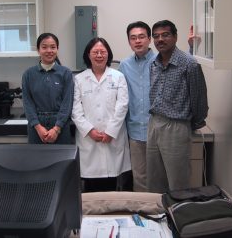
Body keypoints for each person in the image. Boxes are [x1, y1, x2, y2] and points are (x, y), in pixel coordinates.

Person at [147, 20, 208, 193]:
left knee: (177, 183)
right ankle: (158, 218)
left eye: (165, 35)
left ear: (175, 37)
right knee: (154, 180)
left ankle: (178, 217)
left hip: (176, 126)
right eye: (156, 36)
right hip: (154, 124)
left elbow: (199, 100)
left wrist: (191, 125)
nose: (160, 39)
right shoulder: (154, 63)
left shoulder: (190, 64)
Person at [72, 37, 131, 192]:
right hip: (89, 140)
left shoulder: (118, 76)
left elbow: (122, 106)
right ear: (88, 55)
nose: (99, 55)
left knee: (113, 185)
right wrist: (90, 131)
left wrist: (111, 131)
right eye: (95, 52)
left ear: (108, 55)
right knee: (90, 188)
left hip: (113, 138)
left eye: (103, 52)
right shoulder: (79, 79)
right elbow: (75, 110)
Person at [119, 21, 155, 192]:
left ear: (149, 39)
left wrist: (194, 47)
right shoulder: (124, 66)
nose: (138, 41)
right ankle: (143, 214)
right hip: (135, 131)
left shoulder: (161, 61)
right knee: (139, 176)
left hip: (158, 131)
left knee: (159, 176)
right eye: (133, 38)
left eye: (141, 37)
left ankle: (162, 214)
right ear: (129, 41)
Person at [22, 32, 74, 144]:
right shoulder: (28, 74)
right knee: (37, 160)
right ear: (38, 50)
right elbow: (27, 103)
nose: (49, 51)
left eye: (53, 47)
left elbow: (67, 103)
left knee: (62, 160)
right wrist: (38, 127)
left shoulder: (66, 73)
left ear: (57, 49)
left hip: (60, 125)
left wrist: (57, 128)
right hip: (37, 126)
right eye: (44, 47)